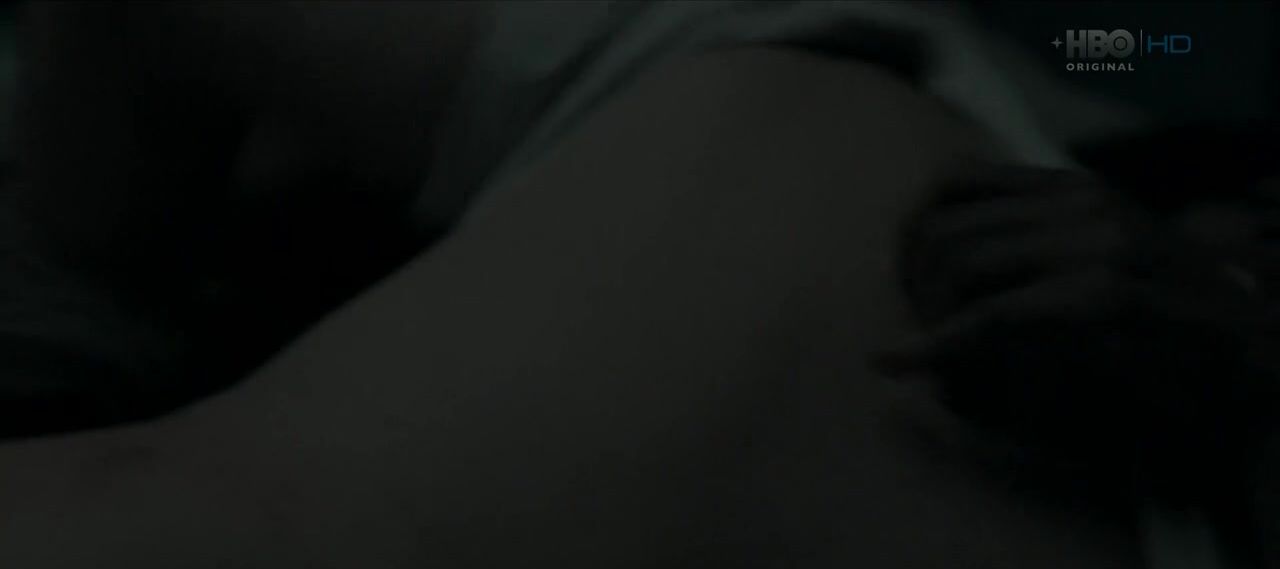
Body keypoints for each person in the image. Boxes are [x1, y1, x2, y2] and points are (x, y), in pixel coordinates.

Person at [0, 2, 1272, 568]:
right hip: (896, 99)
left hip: (988, 347)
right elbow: (1144, 48)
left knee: (170, 520)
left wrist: (1251, 358)